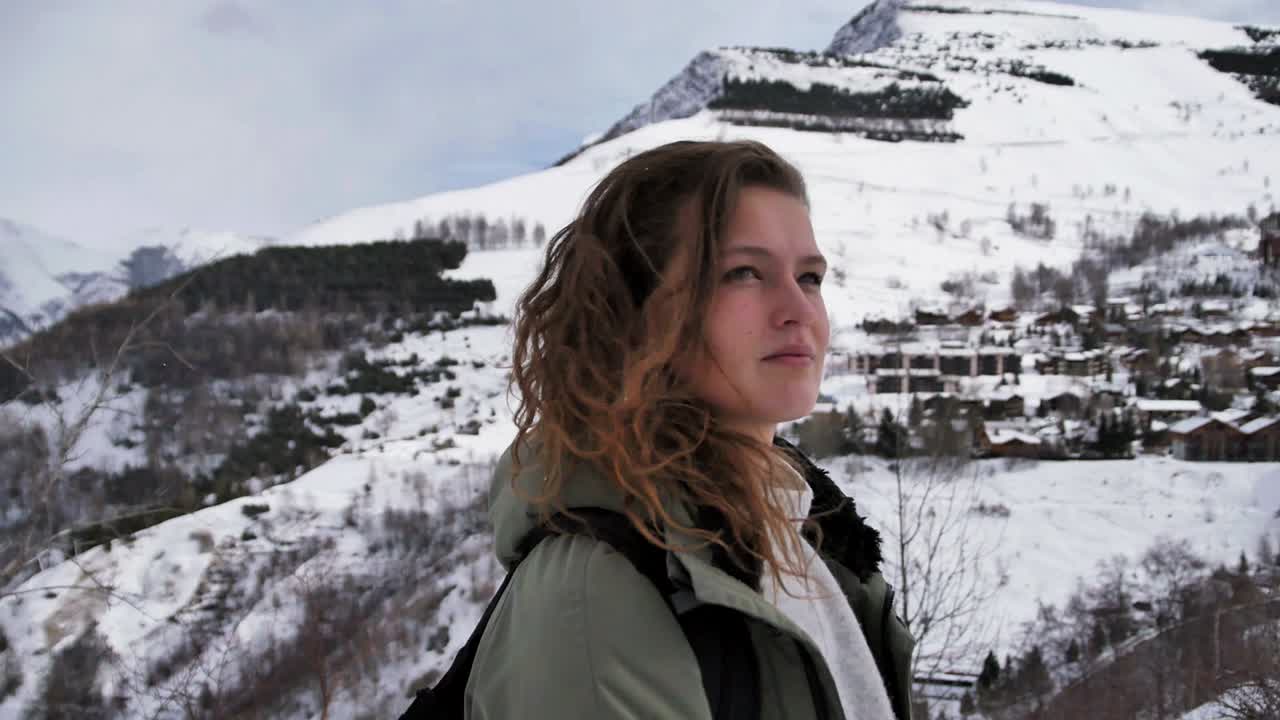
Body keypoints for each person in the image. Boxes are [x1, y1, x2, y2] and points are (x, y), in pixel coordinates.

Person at [468, 140, 914, 719]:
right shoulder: (601, 590)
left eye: (809, 277)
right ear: (636, 309)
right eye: (744, 273)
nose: (797, 309)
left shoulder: (811, 544)